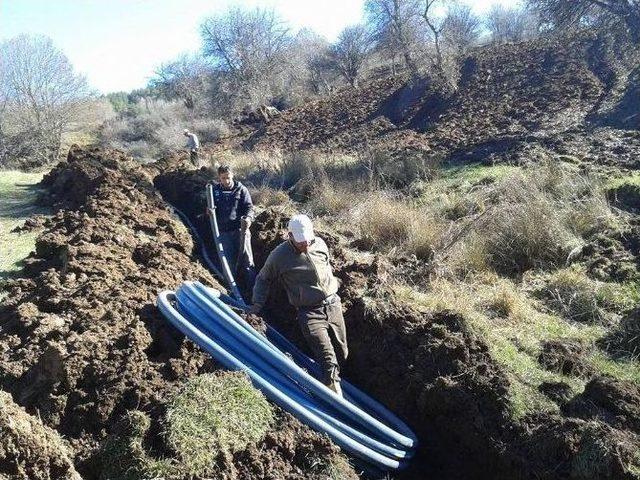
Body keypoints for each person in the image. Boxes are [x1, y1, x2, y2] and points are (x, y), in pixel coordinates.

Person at [250, 214, 348, 396]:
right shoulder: (279, 256)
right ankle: (335, 398)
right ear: (290, 236)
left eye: (308, 240)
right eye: (301, 241)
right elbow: (263, 279)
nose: (306, 245)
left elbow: (327, 266)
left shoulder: (319, 244)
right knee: (327, 356)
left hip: (333, 304)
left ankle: (338, 381)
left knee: (342, 352)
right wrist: (256, 306)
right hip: (309, 312)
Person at [209, 164, 256, 288]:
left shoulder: (241, 189)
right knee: (227, 263)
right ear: (219, 177)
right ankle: (232, 290)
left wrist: (249, 219)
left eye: (228, 177)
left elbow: (249, 207)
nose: (227, 181)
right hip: (223, 233)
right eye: (223, 178)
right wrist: (208, 212)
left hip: (241, 231)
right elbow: (209, 209)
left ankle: (252, 290)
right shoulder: (215, 191)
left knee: (247, 262)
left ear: (233, 175)